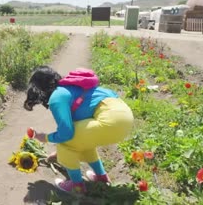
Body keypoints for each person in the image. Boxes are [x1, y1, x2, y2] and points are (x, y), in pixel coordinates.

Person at [23, 66, 134, 194]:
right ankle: (102, 177)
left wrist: (45, 138)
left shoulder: (57, 97)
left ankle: (77, 186)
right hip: (124, 118)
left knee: (66, 142)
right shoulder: (72, 89)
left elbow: (66, 134)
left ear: (39, 89)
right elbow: (81, 135)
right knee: (83, 141)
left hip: (111, 121)